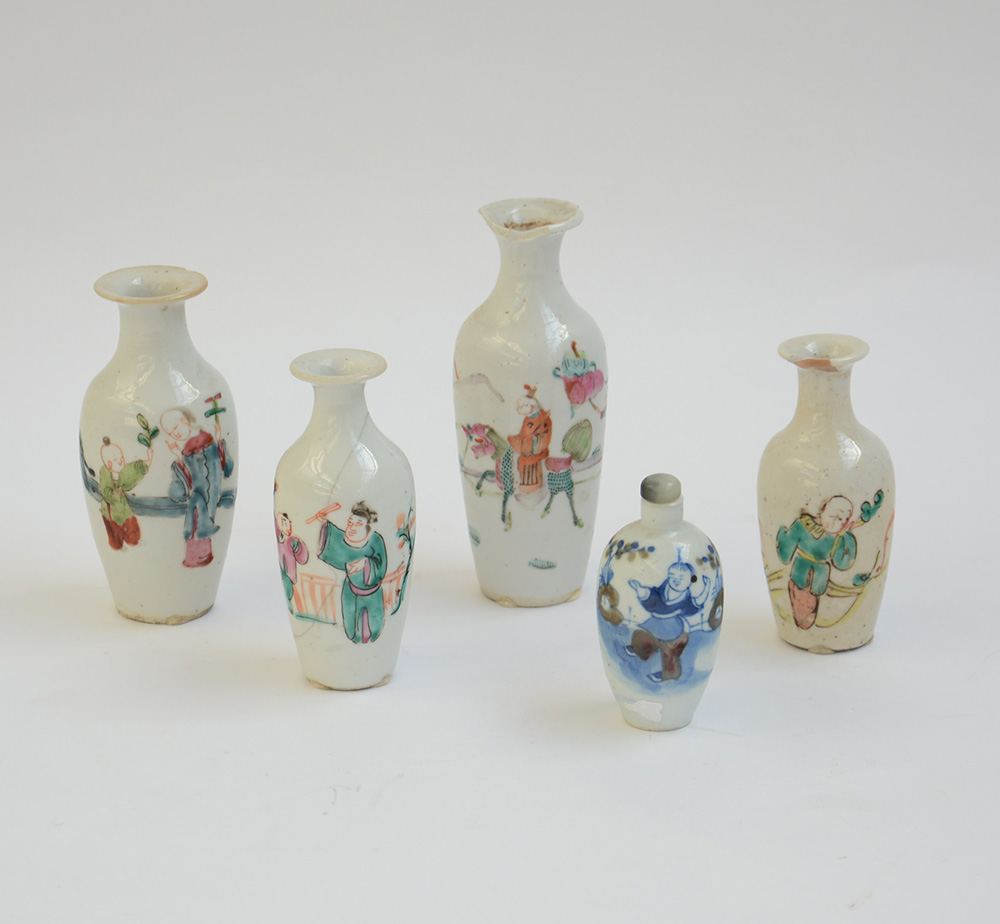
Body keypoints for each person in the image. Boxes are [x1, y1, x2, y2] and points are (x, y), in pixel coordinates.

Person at [161, 406, 234, 568]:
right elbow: (181, 490)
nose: (175, 434)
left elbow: (226, 469)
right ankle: (196, 558)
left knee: (200, 523)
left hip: (207, 500)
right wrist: (178, 459)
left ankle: (201, 558)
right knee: (196, 524)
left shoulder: (208, 443)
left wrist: (220, 443)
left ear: (184, 421)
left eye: (175, 428)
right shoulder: (187, 453)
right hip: (197, 502)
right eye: (171, 433)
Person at [776, 495, 858, 629]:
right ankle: (798, 623)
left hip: (820, 576)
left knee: (812, 600)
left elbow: (842, 563)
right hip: (799, 572)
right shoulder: (802, 525)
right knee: (799, 597)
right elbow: (785, 551)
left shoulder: (837, 538)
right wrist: (782, 533)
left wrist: (847, 536)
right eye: (836, 517)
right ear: (824, 509)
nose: (839, 523)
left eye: (844, 520)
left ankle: (806, 624)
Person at [317, 501, 387, 644]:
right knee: (351, 626)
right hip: (350, 592)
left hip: (373, 593)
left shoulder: (375, 540)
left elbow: (381, 566)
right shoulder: (345, 540)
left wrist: (366, 563)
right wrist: (323, 523)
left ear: (368, 525)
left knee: (374, 625)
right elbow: (336, 543)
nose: (352, 527)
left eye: (358, 523)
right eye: (350, 522)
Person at [98, 437, 152, 550]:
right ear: (109, 464)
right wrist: (112, 495)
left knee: (131, 524)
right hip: (110, 510)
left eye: (121, 457)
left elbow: (133, 470)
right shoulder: (105, 472)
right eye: (116, 459)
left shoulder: (124, 471)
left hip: (123, 507)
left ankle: (134, 540)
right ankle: (117, 546)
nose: (121, 461)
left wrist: (146, 462)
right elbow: (104, 489)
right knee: (114, 532)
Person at [275, 513, 309, 614]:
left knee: (289, 592)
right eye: (285, 523)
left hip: (290, 576)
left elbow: (303, 559)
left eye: (289, 523)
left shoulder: (292, 541)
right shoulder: (284, 540)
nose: (289, 526)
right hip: (286, 574)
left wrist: (299, 546)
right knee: (289, 593)